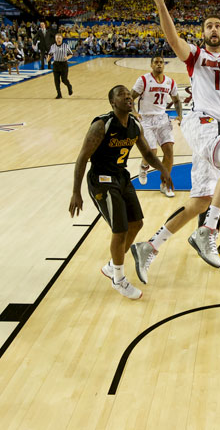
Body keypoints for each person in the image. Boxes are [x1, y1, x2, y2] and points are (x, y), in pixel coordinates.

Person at [129, 0, 220, 285]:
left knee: (200, 201)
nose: (213, 29)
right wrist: (160, 4)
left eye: (218, 26)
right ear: (202, 34)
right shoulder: (197, 56)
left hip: (218, 127)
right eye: (208, 26)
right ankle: (208, 230)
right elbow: (173, 39)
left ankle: (149, 247)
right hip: (203, 122)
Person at [68, 85, 173, 300]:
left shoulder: (134, 124)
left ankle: (111, 267)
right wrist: (76, 192)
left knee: (136, 223)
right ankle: (118, 278)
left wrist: (164, 170)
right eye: (121, 94)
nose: (127, 96)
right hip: (101, 180)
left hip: (121, 177)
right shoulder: (102, 125)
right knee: (120, 229)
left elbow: (147, 153)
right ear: (112, 103)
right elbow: (82, 158)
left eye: (128, 93)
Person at [131, 56, 183, 197]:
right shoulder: (143, 80)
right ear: (151, 65)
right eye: (156, 62)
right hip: (146, 119)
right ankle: (144, 166)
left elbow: (177, 100)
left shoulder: (170, 82)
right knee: (152, 151)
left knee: (169, 151)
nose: (159, 64)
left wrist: (180, 115)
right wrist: (134, 112)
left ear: (164, 65)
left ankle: (165, 185)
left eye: (161, 62)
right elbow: (130, 98)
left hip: (162, 119)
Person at [47, 34, 73, 99]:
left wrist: (67, 58)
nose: (58, 39)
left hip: (63, 64)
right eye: (57, 38)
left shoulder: (65, 46)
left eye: (59, 38)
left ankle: (69, 86)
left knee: (64, 80)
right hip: (56, 64)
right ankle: (59, 94)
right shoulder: (53, 46)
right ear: (55, 39)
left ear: (62, 39)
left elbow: (71, 54)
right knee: (56, 80)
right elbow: (50, 54)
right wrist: (48, 58)